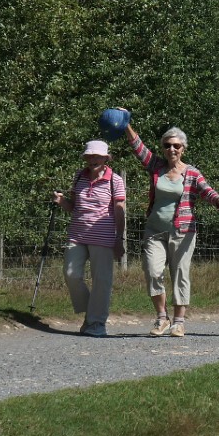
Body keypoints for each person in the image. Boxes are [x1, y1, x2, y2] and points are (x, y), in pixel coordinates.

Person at [122, 117, 219, 338]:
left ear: (183, 149)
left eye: (176, 145)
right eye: (167, 145)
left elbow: (208, 192)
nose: (171, 149)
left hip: (183, 232)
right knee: (152, 271)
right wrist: (126, 123)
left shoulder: (192, 173)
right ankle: (162, 318)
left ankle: (179, 322)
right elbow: (138, 146)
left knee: (180, 275)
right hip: (154, 231)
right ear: (163, 148)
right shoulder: (156, 166)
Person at [52, 140, 127, 337]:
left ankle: (96, 323)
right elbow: (74, 207)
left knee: (101, 281)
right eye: (89, 156)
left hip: (103, 237)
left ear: (105, 158)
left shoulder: (115, 180)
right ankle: (91, 313)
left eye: (97, 156)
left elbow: (120, 213)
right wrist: (61, 202)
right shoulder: (79, 177)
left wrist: (119, 239)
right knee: (71, 273)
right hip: (77, 234)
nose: (92, 159)